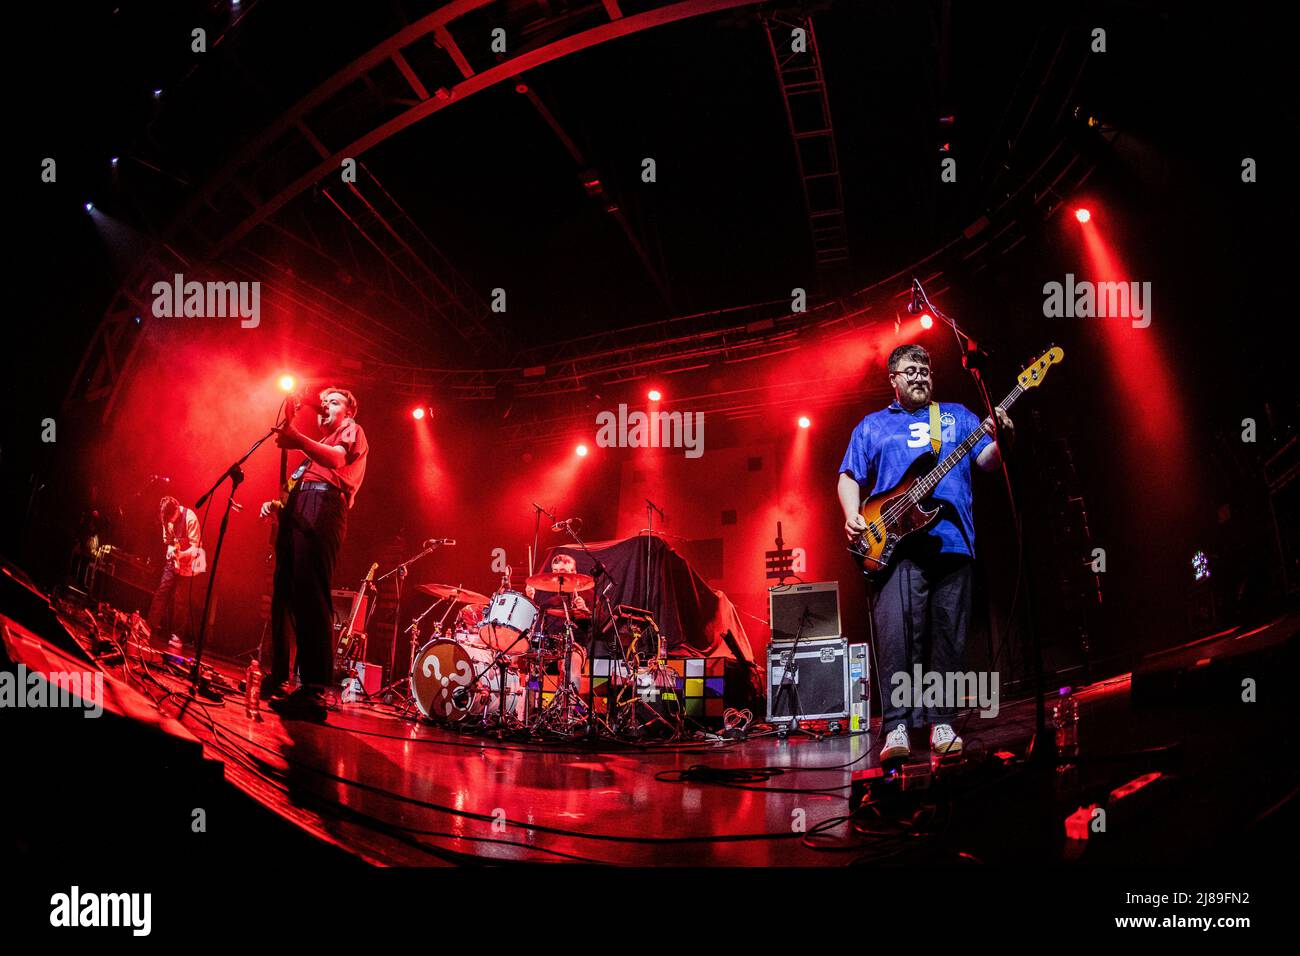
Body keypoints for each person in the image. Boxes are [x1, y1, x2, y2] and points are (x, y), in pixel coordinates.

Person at [837, 344, 1012, 762]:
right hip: (893, 545)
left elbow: (986, 463)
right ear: (893, 380)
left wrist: (1002, 438)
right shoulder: (872, 425)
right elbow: (848, 475)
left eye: (925, 369)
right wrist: (851, 514)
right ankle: (896, 726)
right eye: (910, 370)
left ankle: (942, 722)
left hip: (953, 541)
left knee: (947, 636)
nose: (920, 376)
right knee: (897, 636)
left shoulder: (956, 415)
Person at [258, 387, 369, 721]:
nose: (325, 405)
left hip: (324, 506)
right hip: (300, 509)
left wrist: (299, 438)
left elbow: (336, 459)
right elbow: (294, 489)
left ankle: (315, 690)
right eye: (323, 402)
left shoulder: (351, 431)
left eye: (334, 402)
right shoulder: (308, 460)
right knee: (283, 597)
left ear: (349, 411)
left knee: (309, 594)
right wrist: (277, 505)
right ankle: (279, 676)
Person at [526, 551, 593, 692]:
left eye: (562, 571)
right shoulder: (544, 593)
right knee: (533, 665)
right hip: (548, 644)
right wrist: (530, 599)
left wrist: (586, 610)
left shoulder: (587, 594)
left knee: (572, 664)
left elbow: (600, 625)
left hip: (574, 646)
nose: (558, 575)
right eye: (555, 571)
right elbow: (533, 617)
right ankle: (532, 702)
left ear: (574, 571)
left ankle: (571, 707)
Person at [147, 496, 205, 650]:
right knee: (162, 591)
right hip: (174, 560)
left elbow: (195, 549)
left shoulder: (190, 518)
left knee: (181, 601)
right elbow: (168, 541)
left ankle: (177, 637)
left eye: (171, 518)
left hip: (190, 563)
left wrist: (180, 555)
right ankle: (150, 626)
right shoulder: (166, 518)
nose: (169, 522)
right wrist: (170, 551)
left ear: (177, 509)